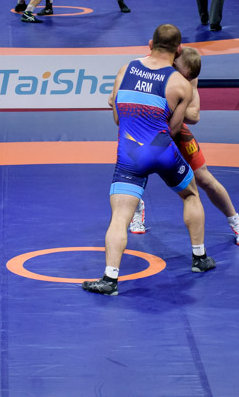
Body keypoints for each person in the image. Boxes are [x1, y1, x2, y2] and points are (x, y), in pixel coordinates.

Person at [82, 24, 215, 296]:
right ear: (179, 49)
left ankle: (110, 279)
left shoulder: (126, 69)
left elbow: (117, 117)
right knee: (191, 195)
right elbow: (174, 129)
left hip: (130, 155)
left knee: (120, 216)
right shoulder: (181, 84)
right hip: (162, 151)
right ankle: (200, 258)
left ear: (150, 43)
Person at [128, 46, 239, 246]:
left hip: (174, 128)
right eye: (182, 76)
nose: (184, 81)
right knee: (133, 173)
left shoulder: (188, 73)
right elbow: (117, 101)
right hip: (146, 130)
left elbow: (194, 115)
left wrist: (167, 103)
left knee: (204, 178)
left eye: (187, 79)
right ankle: (137, 209)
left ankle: (235, 220)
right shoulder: (145, 67)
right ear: (174, 61)